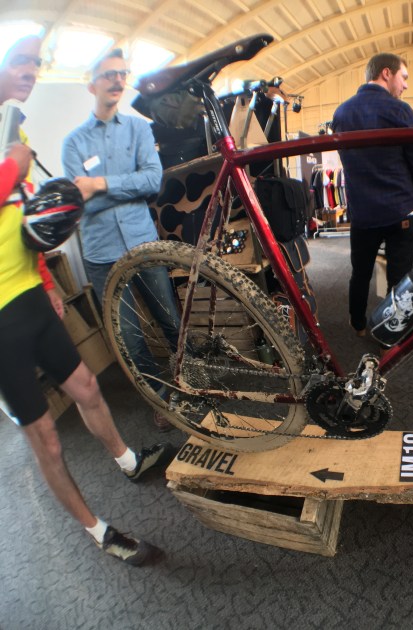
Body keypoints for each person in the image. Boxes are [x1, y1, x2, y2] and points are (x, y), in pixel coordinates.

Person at [0, 35, 165, 567]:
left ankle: (128, 459)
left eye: (37, 62)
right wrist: (13, 167)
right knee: (46, 438)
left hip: (29, 292)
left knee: (88, 388)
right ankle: (99, 531)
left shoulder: (14, 129)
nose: (31, 70)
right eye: (21, 61)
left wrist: (46, 282)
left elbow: (23, 220)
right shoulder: (16, 148)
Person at [62, 48, 180, 430]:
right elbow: (81, 203)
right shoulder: (73, 143)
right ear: (91, 84)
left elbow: (152, 181)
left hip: (142, 243)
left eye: (123, 73)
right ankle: (159, 397)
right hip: (101, 255)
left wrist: (100, 184)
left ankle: (192, 380)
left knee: (170, 319)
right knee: (129, 336)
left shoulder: (138, 129)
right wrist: (123, 188)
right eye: (109, 73)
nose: (117, 80)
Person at [331, 53, 413, 336]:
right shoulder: (400, 111)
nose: (405, 85)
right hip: (401, 208)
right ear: (387, 73)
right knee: (399, 277)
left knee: (360, 272)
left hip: (363, 210)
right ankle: (390, 332)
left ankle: (358, 324)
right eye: (404, 77)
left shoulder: (342, 113)